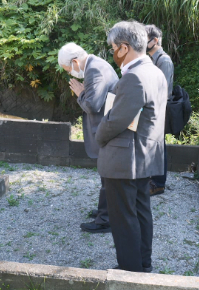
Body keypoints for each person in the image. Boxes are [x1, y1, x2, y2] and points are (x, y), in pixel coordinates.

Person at [95, 21, 168, 272]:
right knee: (139, 212)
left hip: (126, 158)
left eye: (114, 47)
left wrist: (98, 136)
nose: (113, 52)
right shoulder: (154, 71)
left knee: (123, 218)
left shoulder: (134, 77)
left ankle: (129, 271)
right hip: (144, 155)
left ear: (124, 48)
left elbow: (116, 120)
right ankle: (143, 264)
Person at [58, 43, 119, 234]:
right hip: (109, 127)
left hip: (106, 130)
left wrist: (81, 93)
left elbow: (92, 105)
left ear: (75, 62)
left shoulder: (94, 70)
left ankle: (106, 220)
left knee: (108, 176)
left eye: (69, 69)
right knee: (106, 175)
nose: (71, 73)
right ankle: (106, 211)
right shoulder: (97, 65)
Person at [145, 25, 173, 196]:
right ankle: (152, 179)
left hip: (159, 109)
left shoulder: (164, 60)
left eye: (144, 40)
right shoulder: (151, 59)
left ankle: (159, 183)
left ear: (155, 40)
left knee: (159, 146)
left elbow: (164, 90)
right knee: (152, 145)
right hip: (150, 108)